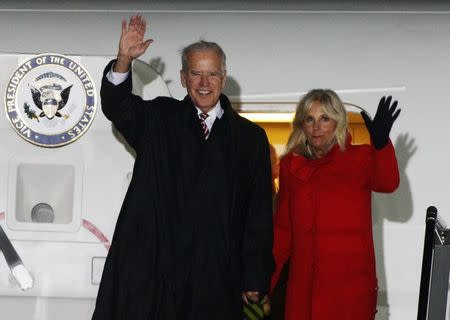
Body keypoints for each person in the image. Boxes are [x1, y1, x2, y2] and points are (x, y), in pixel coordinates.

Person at [92, 15, 274, 320]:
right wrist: (124, 59)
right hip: (158, 273)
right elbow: (117, 106)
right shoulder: (158, 120)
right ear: (182, 77)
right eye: (196, 74)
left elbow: (257, 213)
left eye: (212, 74)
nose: (204, 84)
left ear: (224, 76)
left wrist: (254, 274)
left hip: (215, 277)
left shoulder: (250, 138)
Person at [271, 89, 400, 319]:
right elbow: (283, 231)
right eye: (310, 119)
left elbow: (388, 183)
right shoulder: (291, 166)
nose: (316, 127)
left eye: (325, 119)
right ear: (302, 124)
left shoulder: (359, 158)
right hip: (302, 295)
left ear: (338, 122)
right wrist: (263, 281)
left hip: (348, 294)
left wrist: (380, 145)